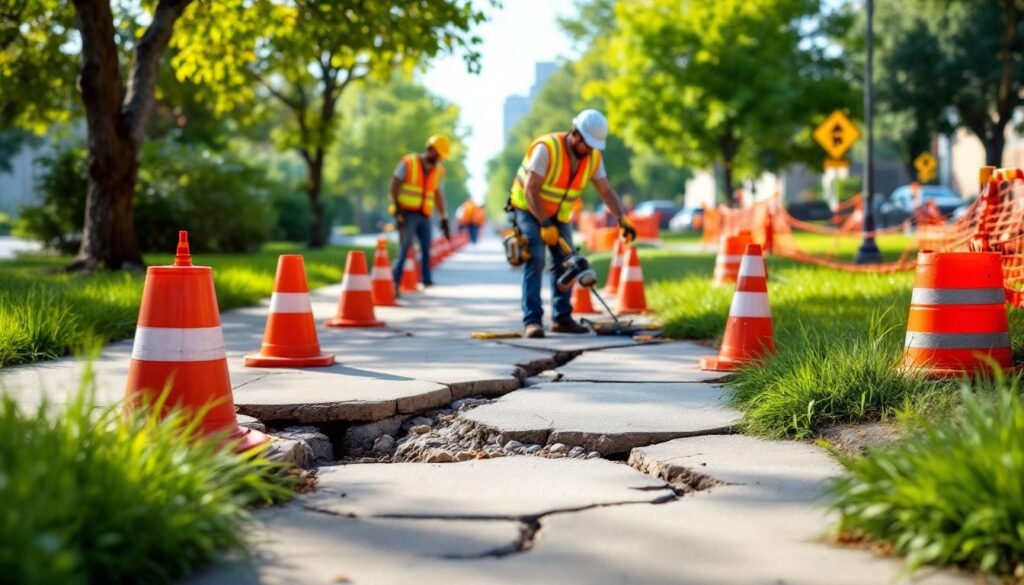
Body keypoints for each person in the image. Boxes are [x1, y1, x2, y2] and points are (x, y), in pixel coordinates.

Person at [507, 109, 636, 338]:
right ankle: (533, 321)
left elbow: (605, 190)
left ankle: (562, 319)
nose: (590, 150)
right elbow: (530, 189)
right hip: (528, 208)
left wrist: (621, 218)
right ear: (575, 134)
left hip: (558, 214)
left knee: (568, 262)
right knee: (535, 258)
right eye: (587, 144)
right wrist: (545, 224)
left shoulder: (593, 158)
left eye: (594, 146)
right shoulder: (546, 149)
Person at [390, 135, 451, 289]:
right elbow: (394, 184)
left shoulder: (438, 170)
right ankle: (394, 282)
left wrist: (444, 217)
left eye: (441, 157)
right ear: (430, 150)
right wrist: (397, 209)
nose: (439, 159)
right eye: (438, 155)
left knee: (426, 247)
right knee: (405, 247)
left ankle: (426, 279)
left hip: (424, 214)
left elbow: (438, 194)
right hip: (407, 213)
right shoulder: (409, 162)